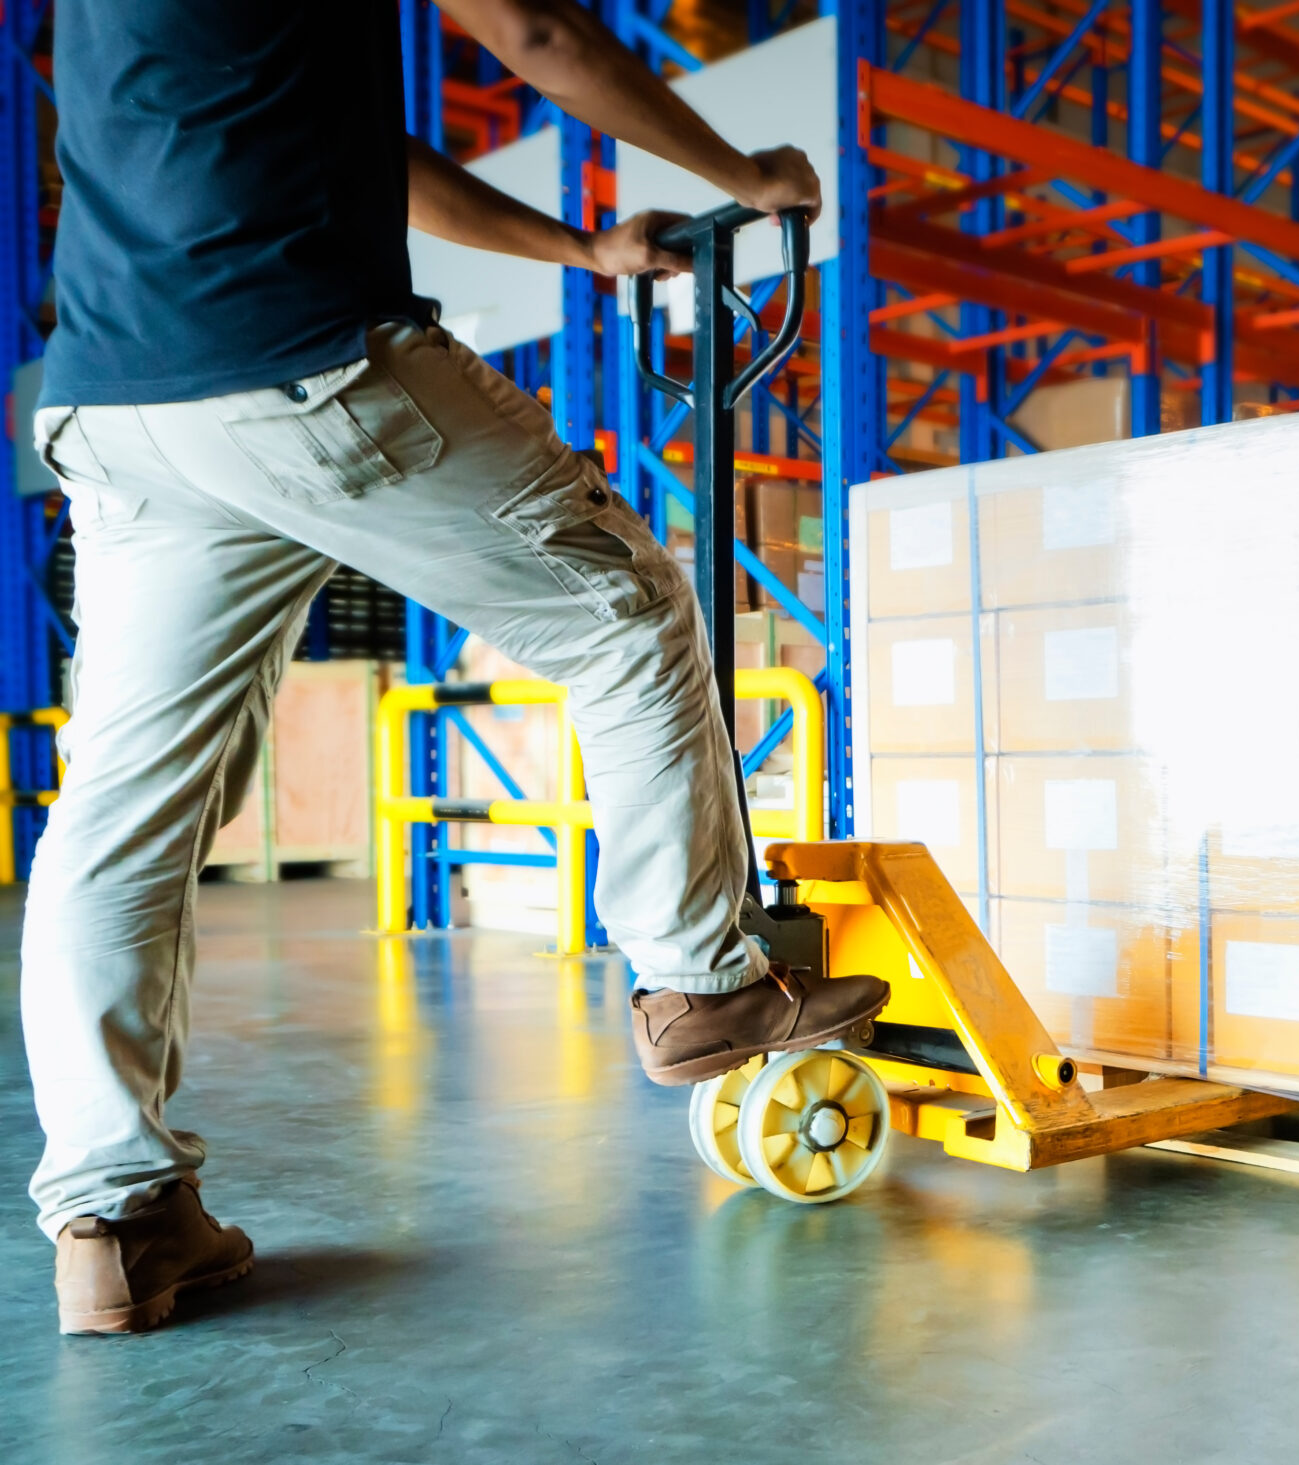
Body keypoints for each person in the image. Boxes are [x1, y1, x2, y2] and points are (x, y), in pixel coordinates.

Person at [27, 0, 890, 1336]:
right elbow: (538, 32)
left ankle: (117, 1221)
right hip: (303, 355)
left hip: (122, 402)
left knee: (119, 811)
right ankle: (704, 983)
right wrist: (747, 175)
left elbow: (374, 151)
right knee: (626, 607)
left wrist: (579, 247)